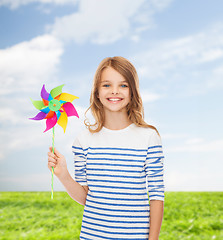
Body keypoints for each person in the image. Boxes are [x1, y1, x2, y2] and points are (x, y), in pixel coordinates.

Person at [48, 56, 165, 240]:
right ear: (96, 92)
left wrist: (153, 239)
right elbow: (86, 198)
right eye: (107, 85)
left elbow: (157, 196)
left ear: (133, 92)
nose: (115, 91)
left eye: (123, 85)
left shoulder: (149, 137)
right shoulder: (83, 141)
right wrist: (63, 175)